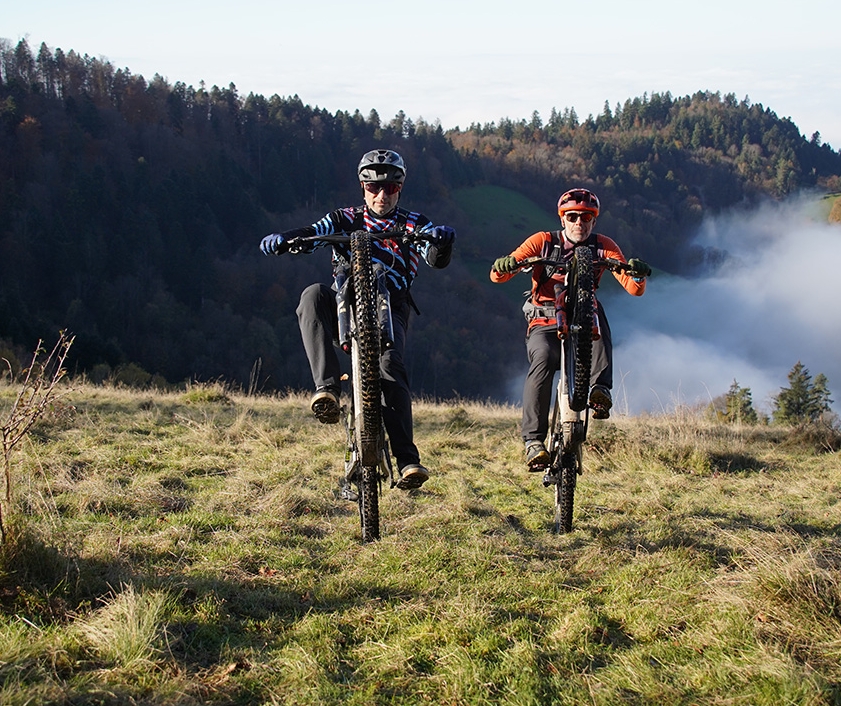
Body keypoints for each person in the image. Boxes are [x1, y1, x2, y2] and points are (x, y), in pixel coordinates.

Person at [259, 149, 456, 490]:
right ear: (362, 187)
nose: (382, 195)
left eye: (390, 188)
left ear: (400, 188)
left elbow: (434, 257)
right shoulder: (345, 218)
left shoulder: (412, 223)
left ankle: (407, 460)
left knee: (390, 367)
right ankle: (327, 391)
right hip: (343, 305)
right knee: (311, 296)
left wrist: (442, 242)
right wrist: (284, 239)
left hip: (391, 306)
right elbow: (312, 232)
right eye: (373, 187)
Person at [490, 188, 650, 470]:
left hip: (582, 318)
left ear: (594, 221)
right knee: (543, 358)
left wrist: (635, 274)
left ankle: (600, 390)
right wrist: (506, 266)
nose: (579, 223)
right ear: (562, 218)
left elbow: (633, 288)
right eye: (573, 216)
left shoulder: (603, 245)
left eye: (586, 217)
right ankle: (534, 442)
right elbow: (499, 275)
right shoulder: (543, 241)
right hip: (545, 319)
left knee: (596, 312)